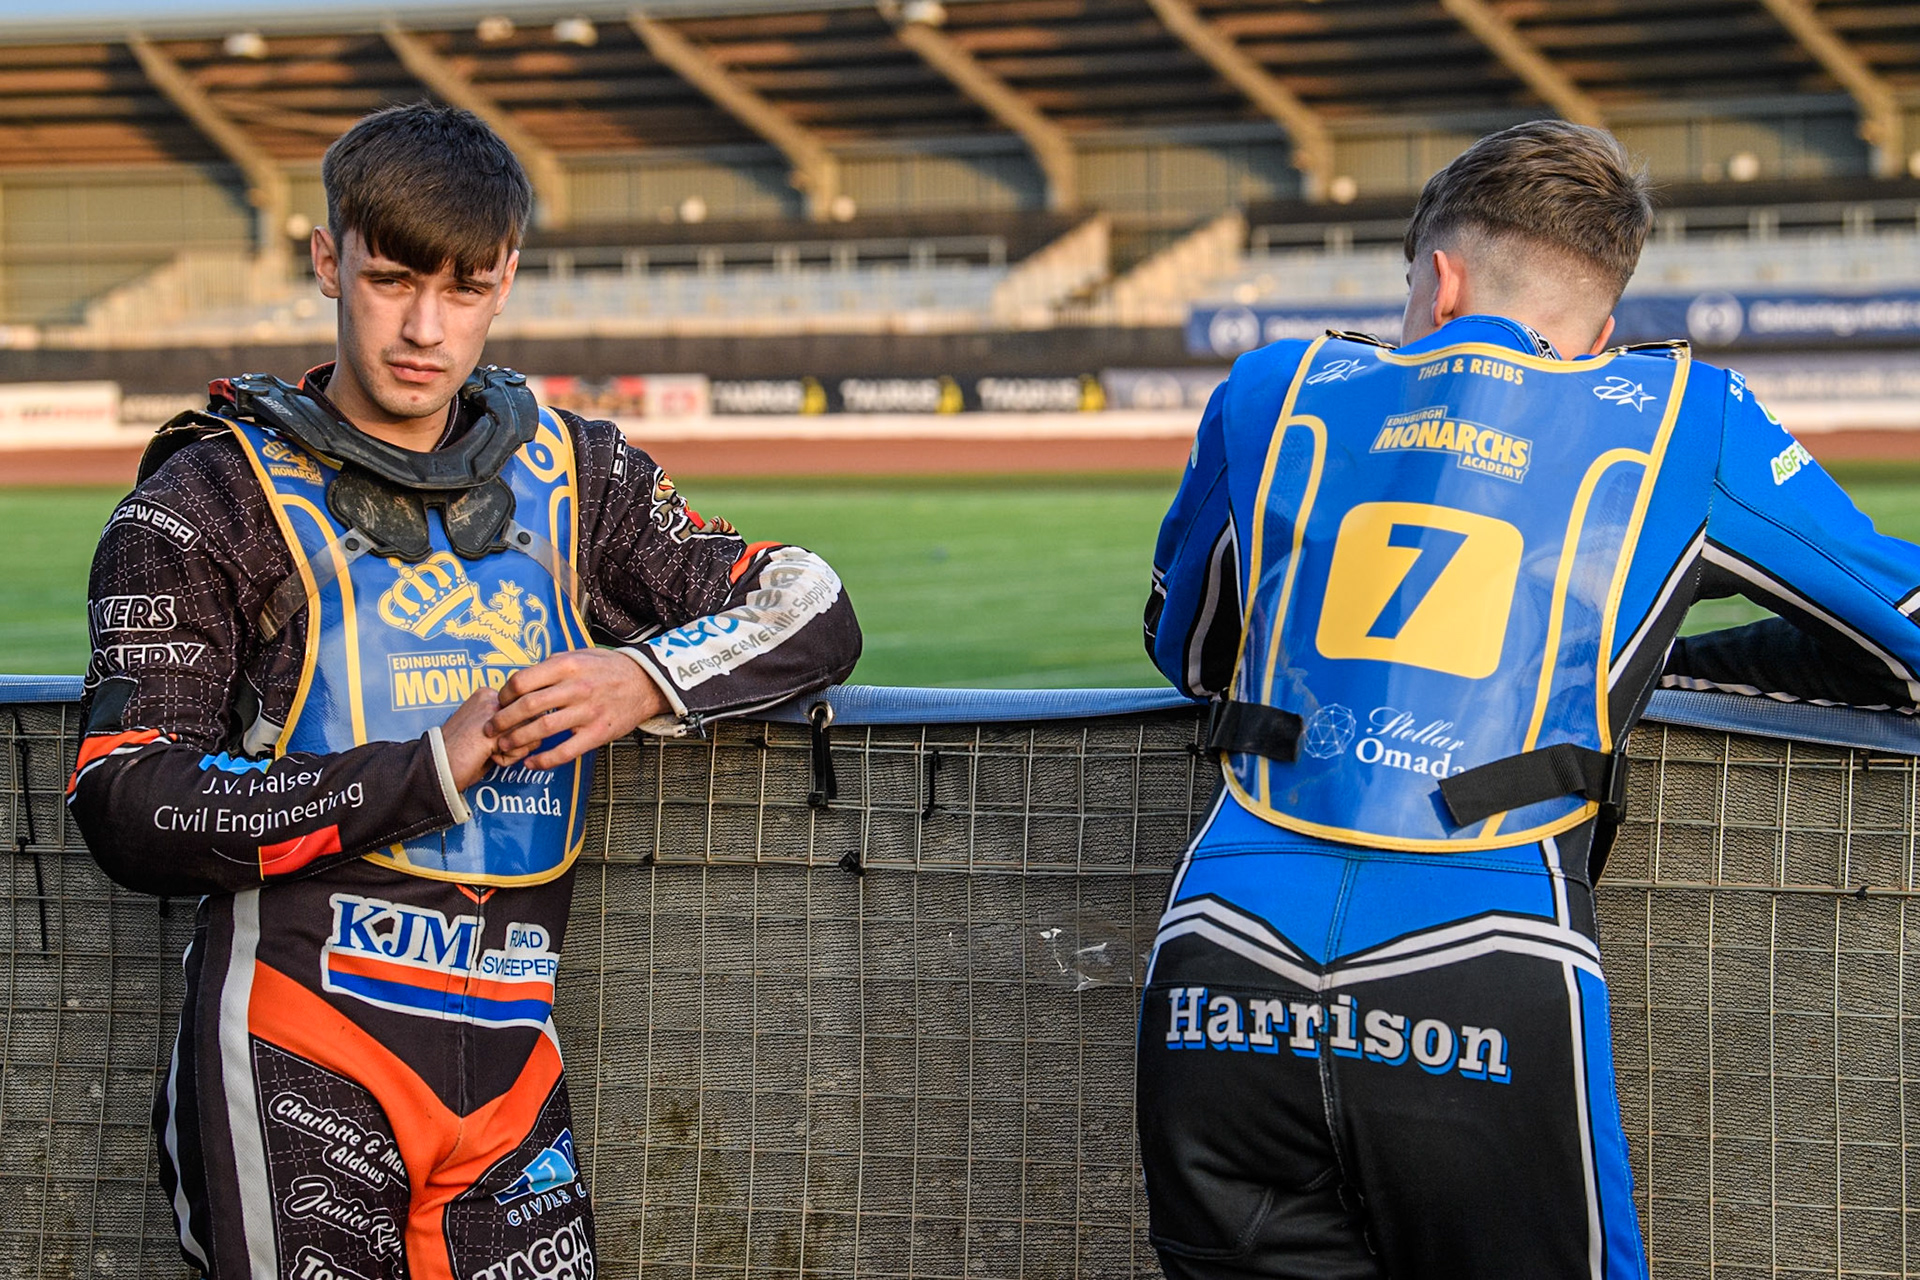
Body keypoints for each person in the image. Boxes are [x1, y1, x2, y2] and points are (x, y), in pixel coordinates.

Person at [66, 103, 860, 1280]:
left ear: (507, 279)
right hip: (295, 1046)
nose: (423, 328)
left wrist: (642, 676)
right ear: (328, 260)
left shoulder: (581, 472)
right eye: (390, 280)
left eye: (464, 288)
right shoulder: (209, 496)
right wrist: (428, 767)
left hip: (511, 1069)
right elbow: (127, 798)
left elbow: (812, 602)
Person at [1137, 119, 1920, 1279]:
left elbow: (1188, 648)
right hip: (1489, 953)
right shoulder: (1686, 413)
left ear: (1440, 278)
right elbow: (1906, 638)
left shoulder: (1273, 386)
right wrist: (1664, 669)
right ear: (1602, 330)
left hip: (1222, 953)